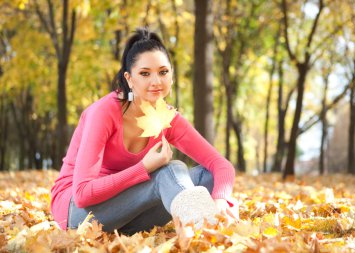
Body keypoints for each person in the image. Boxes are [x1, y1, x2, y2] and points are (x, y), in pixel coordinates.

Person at [50, 27, 237, 235]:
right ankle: (204, 228)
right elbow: (83, 194)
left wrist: (221, 199)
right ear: (129, 79)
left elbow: (221, 165)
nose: (156, 81)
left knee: (207, 176)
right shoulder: (104, 112)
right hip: (78, 214)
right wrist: (143, 168)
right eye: (145, 73)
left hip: (128, 217)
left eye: (163, 72)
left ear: (172, 76)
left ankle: (204, 219)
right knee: (170, 170)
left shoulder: (167, 117)